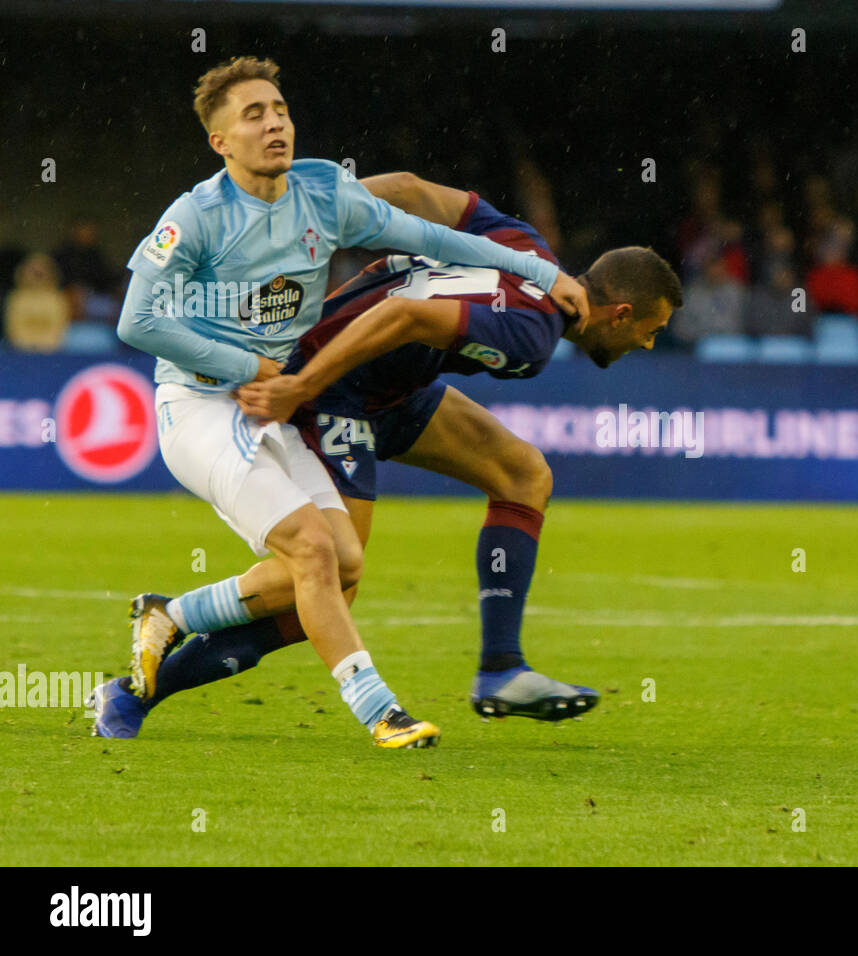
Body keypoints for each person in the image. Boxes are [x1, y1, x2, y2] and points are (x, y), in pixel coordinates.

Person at [105, 56, 588, 749]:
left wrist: (543, 271)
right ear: (221, 142)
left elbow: (427, 236)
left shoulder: (323, 191)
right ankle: (381, 713)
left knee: (344, 562)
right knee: (309, 551)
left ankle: (171, 612)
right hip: (201, 405)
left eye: (279, 108)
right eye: (253, 115)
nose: (274, 123)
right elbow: (137, 323)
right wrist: (249, 364)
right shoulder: (196, 216)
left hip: (275, 400)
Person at [90, 174, 681, 739]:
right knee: (331, 582)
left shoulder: (525, 245)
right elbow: (404, 315)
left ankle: (502, 669)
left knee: (523, 473)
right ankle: (143, 678)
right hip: (335, 384)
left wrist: (318, 209)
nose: (647, 345)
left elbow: (408, 190)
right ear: (621, 313)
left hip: (394, 383)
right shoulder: (533, 339)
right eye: (650, 331)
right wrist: (300, 383)